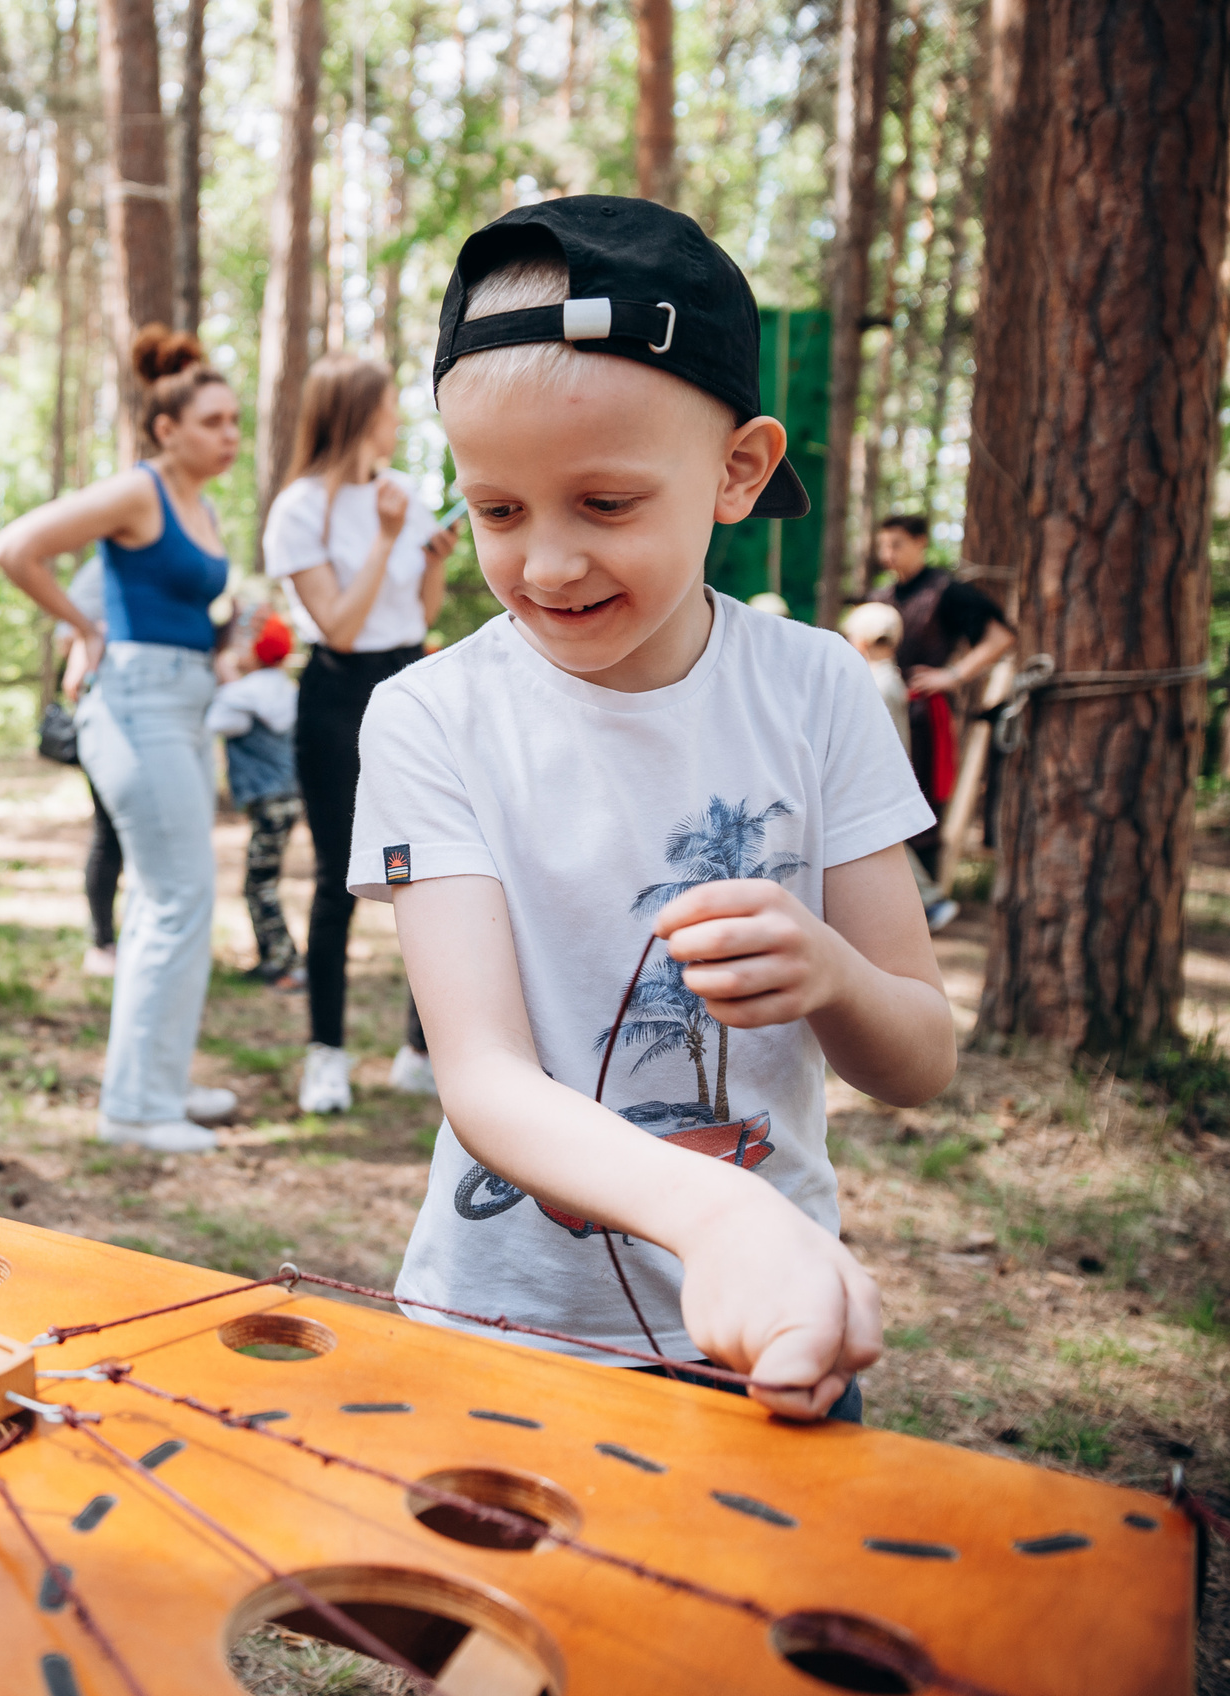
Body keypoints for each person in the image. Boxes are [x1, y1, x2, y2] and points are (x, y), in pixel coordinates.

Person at [356, 198, 956, 1420]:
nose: (548, 565)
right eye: (497, 510)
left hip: (762, 1329)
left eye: (607, 505)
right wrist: (729, 1217)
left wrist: (834, 975)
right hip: (497, 1341)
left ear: (738, 470)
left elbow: (921, 1059)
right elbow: (483, 1079)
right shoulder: (430, 716)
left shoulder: (819, 689)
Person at [0, 325, 243, 1153]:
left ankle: (158, 1082)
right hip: (133, 704)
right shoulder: (140, 492)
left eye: (235, 422)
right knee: (177, 898)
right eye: (213, 422)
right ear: (167, 428)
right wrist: (81, 626)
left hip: (180, 702)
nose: (230, 436)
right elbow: (16, 548)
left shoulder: (200, 504)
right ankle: (134, 1107)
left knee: (172, 899)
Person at [261, 352, 463, 1115]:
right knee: (337, 879)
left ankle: (419, 1050)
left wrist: (431, 558)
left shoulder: (400, 493)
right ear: (354, 412)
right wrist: (383, 540)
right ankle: (327, 1055)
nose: (398, 417)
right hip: (338, 692)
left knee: (429, 869)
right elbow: (339, 626)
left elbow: (419, 608)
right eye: (387, 405)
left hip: (410, 682)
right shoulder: (298, 508)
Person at [868, 513, 1014, 924]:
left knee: (919, 801)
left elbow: (1001, 637)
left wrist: (953, 676)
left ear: (920, 543)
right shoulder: (881, 596)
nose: (887, 554)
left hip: (922, 717)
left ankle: (923, 907)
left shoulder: (946, 592)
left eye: (896, 544)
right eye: (883, 545)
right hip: (878, 710)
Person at [206, 607, 305, 988]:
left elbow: (215, 719)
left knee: (259, 884)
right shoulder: (281, 688)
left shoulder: (244, 695)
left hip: (268, 800)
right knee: (263, 880)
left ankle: (284, 964)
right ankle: (272, 959)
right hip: (285, 797)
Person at [842, 601, 955, 928]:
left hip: (875, 775)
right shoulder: (891, 678)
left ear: (860, 642)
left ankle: (931, 902)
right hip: (884, 772)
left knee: (883, 842)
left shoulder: (874, 683)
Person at [57, 557, 124, 978]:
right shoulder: (98, 573)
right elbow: (73, 671)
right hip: (109, 729)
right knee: (109, 838)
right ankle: (103, 940)